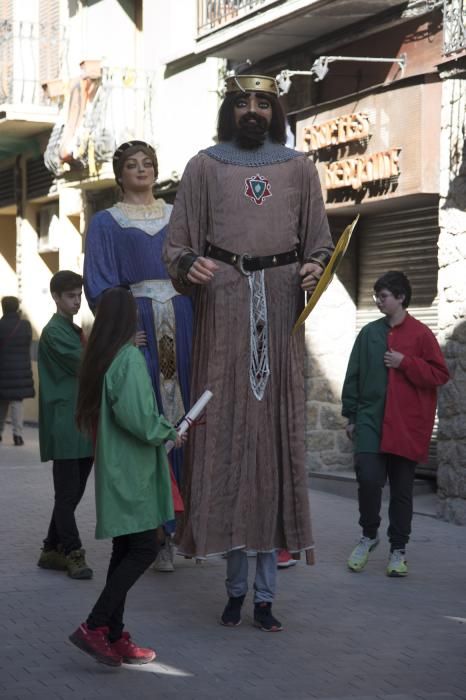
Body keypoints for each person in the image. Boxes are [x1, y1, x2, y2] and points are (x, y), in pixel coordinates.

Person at [163, 74, 334, 631]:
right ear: (229, 110)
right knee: (226, 436)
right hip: (225, 305)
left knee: (273, 442)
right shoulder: (201, 167)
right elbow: (177, 244)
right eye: (243, 102)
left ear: (275, 110)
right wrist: (190, 265)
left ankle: (265, 596)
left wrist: (313, 267)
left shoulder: (300, 167)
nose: (253, 111)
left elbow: (321, 244)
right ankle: (235, 589)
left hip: (281, 308)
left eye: (263, 102)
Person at [84, 140, 193, 573]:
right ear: (119, 173)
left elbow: (195, 269)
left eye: (148, 163)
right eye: (132, 165)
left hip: (182, 322)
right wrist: (124, 331)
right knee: (147, 421)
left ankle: (184, 528)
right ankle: (153, 531)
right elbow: (100, 283)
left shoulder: (176, 216)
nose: (142, 170)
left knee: (183, 417)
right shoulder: (106, 223)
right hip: (141, 324)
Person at [69, 287, 185, 667]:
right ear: (128, 318)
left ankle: (115, 635)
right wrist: (169, 431)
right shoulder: (129, 359)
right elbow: (138, 418)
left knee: (125, 551)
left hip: (118, 469)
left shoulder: (103, 358)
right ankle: (95, 625)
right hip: (133, 471)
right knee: (144, 549)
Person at [342, 271, 449, 577]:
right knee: (368, 479)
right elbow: (354, 373)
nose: (378, 301)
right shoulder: (369, 334)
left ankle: (398, 551)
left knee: (402, 491)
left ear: (401, 297)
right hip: (371, 421)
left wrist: (406, 363)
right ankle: (368, 535)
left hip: (407, 425)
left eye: (384, 296)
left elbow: (439, 375)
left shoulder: (421, 334)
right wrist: (351, 415)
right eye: (377, 296)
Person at [37, 271, 94, 580]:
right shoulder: (54, 332)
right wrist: (120, 343)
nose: (77, 301)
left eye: (79, 296)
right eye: (71, 296)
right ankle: (73, 553)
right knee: (67, 494)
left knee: (71, 495)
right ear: (56, 298)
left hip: (80, 424)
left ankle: (50, 549)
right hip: (65, 424)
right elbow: (86, 362)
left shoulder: (72, 329)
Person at [0, 296, 34, 445]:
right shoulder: (25, 325)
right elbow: (28, 342)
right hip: (20, 370)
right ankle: (18, 435)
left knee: (2, 402)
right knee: (17, 402)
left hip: (2, 370)